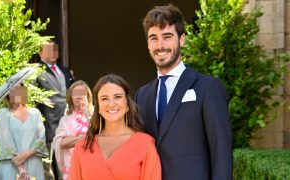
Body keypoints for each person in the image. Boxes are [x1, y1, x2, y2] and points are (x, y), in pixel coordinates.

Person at [135, 4, 233, 179]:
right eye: (153, 38)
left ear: (181, 39)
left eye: (167, 36)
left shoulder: (208, 87)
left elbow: (221, 151)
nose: (160, 45)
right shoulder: (141, 95)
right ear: (148, 44)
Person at [69, 74, 161, 180]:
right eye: (104, 98)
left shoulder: (145, 144)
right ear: (98, 106)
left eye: (117, 97)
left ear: (127, 104)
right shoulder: (82, 146)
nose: (111, 104)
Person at [36, 41, 74, 179]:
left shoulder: (65, 70)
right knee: (52, 170)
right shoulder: (36, 72)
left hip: (68, 126)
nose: (53, 52)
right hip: (49, 126)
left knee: (67, 166)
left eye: (55, 49)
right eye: (48, 49)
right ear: (39, 52)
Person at [0, 85, 48, 180]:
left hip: (34, 164)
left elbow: (41, 139)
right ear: (8, 94)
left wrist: (26, 154)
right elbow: (6, 143)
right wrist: (21, 169)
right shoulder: (3, 114)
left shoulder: (35, 113)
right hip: (12, 166)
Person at [53, 80, 94, 180]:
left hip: (92, 166)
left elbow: (99, 137)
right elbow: (60, 143)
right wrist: (84, 137)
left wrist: (87, 114)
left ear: (88, 96)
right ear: (70, 97)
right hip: (71, 166)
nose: (78, 97)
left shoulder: (96, 116)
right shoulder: (65, 119)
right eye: (75, 94)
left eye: (82, 94)